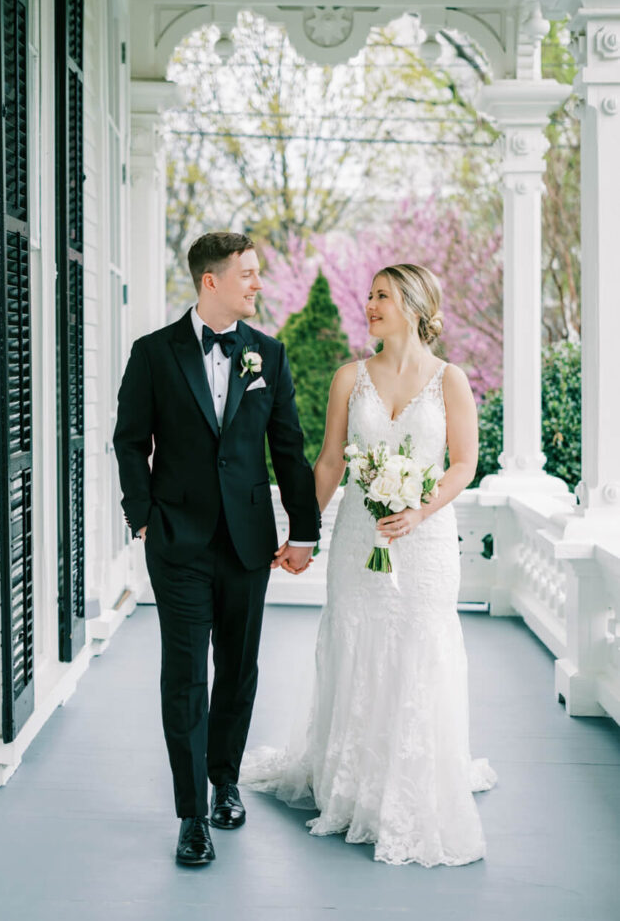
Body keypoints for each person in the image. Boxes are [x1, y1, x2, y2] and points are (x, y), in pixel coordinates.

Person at [241, 263, 497, 867]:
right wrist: (303, 533)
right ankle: (351, 781)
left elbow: (464, 463)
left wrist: (421, 509)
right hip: (360, 539)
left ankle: (412, 782)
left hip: (426, 543)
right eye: (370, 295)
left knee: (418, 647)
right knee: (356, 643)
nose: (370, 304)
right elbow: (329, 463)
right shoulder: (348, 378)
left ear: (413, 304)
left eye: (382, 295)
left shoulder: (450, 380)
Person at [113, 232, 320, 866]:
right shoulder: (153, 354)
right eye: (249, 274)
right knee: (185, 676)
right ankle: (190, 815)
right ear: (213, 282)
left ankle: (225, 780)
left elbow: (288, 449)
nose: (259, 284)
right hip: (176, 543)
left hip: (248, 543)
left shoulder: (270, 356)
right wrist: (142, 516)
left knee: (237, 669)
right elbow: (129, 441)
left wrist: (304, 530)